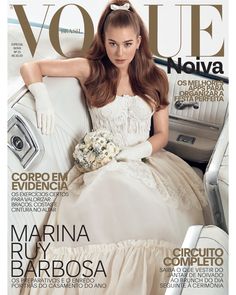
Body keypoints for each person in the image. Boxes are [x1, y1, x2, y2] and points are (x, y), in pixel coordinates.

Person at [20, 1, 211, 294]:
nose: (119, 53)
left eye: (126, 44)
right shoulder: (91, 69)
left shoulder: (155, 77)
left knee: (160, 219)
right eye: (112, 44)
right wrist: (41, 96)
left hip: (145, 160)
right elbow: (30, 67)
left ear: (138, 42)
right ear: (103, 41)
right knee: (114, 191)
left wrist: (139, 151)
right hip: (104, 167)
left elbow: (161, 134)